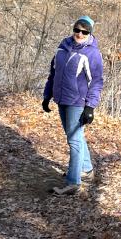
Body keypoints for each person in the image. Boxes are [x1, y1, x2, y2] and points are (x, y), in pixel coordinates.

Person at [42, 15, 104, 195]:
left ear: (90, 33)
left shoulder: (92, 53)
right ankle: (85, 169)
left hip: (77, 102)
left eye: (84, 31)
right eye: (77, 29)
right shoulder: (63, 46)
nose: (80, 33)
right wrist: (47, 95)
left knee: (74, 140)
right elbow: (53, 73)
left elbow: (97, 82)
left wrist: (90, 107)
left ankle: (73, 183)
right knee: (75, 136)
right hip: (61, 99)